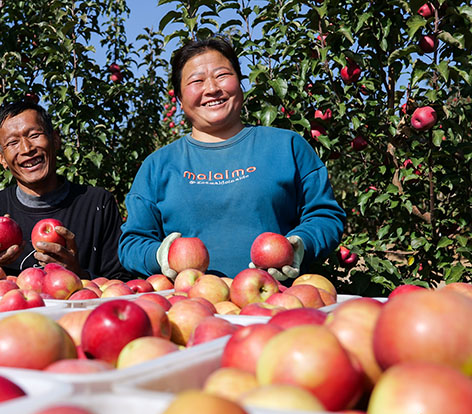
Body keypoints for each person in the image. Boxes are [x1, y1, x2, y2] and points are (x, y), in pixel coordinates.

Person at [118, 36, 346, 281]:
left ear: (240, 84)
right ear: (180, 101)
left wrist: (302, 244)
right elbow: (132, 243)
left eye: (222, 75)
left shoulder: (287, 146)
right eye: (196, 80)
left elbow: (325, 215)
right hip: (189, 310)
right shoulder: (158, 166)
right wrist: (160, 255)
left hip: (278, 304)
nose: (212, 88)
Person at [0, 100, 130, 280]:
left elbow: (120, 283)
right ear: (2, 159)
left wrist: (77, 274)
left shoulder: (97, 204)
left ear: (56, 139)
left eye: (35, 135)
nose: (27, 149)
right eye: (12, 143)